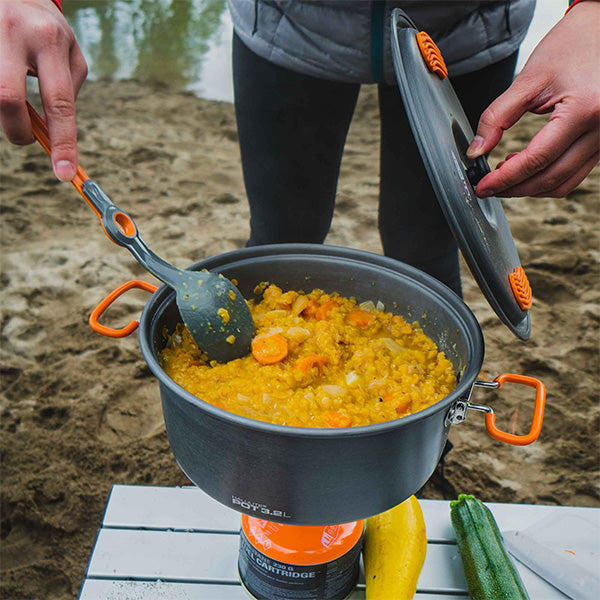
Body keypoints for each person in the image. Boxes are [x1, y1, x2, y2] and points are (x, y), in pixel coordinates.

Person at [1, 0, 598, 295]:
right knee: (281, 240)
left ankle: (423, 446)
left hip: (469, 31)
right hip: (285, 27)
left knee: (429, 250)